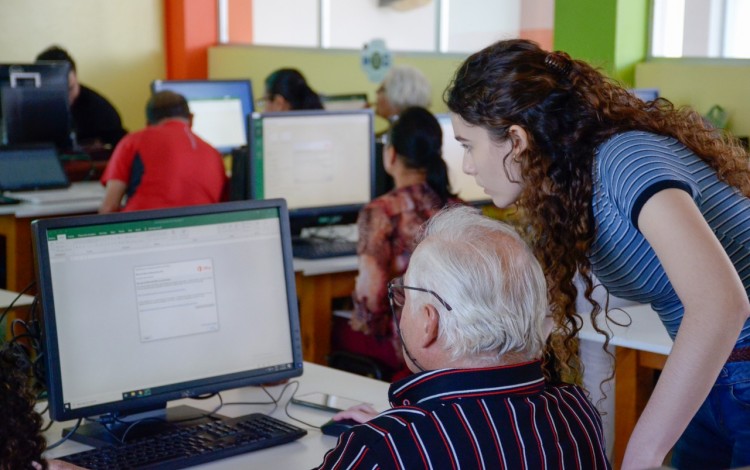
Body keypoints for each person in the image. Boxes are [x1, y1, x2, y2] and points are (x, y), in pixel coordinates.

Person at [445, 38, 750, 469]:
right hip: (718, 371)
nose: (469, 167)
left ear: (515, 139)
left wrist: (642, 452)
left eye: (467, 145)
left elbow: (721, 304)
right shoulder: (574, 185)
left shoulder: (624, 159)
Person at [318, 205, 610, 469]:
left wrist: (395, 434)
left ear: (428, 323)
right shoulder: (577, 411)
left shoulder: (383, 449)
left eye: (404, 295)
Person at [335, 107, 461, 380]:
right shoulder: (459, 209)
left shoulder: (381, 212)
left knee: (330, 327)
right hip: (456, 341)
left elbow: (371, 302)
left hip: (404, 343)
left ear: (391, 155)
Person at [99, 91, 228, 213]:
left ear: (148, 123)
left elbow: (109, 208)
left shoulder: (132, 142)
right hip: (201, 232)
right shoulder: (214, 153)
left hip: (144, 229)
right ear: (191, 118)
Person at [36, 45, 127, 148]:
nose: (66, 98)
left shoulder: (100, 111)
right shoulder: (29, 109)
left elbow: (123, 147)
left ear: (76, 77)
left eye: (70, 89)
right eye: (55, 93)